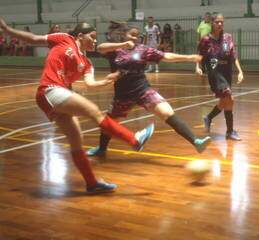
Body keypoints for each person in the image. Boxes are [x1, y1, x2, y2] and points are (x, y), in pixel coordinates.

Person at [0, 19, 154, 193]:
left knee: (76, 139)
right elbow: (34, 38)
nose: (95, 41)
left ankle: (91, 183)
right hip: (49, 90)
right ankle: (134, 140)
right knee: (94, 111)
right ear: (80, 35)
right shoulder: (64, 39)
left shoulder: (87, 63)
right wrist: (7, 29)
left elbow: (90, 84)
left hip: (56, 95)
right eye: (92, 37)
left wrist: (105, 81)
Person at [86, 26, 211, 157]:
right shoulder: (115, 50)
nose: (135, 38)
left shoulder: (143, 50)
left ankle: (196, 142)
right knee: (110, 124)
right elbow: (100, 48)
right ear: (124, 35)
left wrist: (188, 58)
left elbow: (166, 56)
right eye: (132, 35)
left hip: (143, 90)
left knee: (167, 112)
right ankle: (101, 149)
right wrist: (123, 44)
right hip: (122, 95)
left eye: (137, 35)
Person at [196, 13, 244, 141]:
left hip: (226, 72)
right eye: (217, 22)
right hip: (214, 71)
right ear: (211, 23)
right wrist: (198, 66)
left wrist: (240, 71)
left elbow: (234, 56)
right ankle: (230, 131)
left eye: (222, 22)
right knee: (229, 97)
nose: (220, 24)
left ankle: (209, 118)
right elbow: (199, 54)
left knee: (228, 101)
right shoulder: (206, 39)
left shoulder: (228, 37)